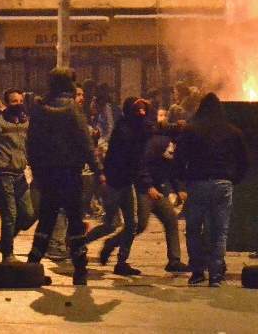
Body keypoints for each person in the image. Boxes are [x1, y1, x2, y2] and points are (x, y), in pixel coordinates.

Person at [26, 68, 103, 285]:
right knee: (75, 221)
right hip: (70, 173)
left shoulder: (40, 108)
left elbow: (31, 143)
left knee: (46, 219)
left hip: (47, 174)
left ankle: (32, 267)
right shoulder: (72, 109)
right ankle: (80, 270)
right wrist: (98, 169)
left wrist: (37, 171)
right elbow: (85, 143)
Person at [174, 93, 248, 287]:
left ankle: (197, 271)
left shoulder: (190, 130)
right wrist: (233, 179)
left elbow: (179, 158)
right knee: (219, 231)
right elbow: (244, 161)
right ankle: (216, 274)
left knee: (193, 229)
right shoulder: (232, 132)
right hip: (222, 185)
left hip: (197, 184)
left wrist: (184, 180)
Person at [88, 97, 152, 276]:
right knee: (110, 224)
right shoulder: (124, 130)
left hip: (126, 183)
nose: (142, 113)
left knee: (132, 224)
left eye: (144, 109)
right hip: (114, 183)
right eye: (138, 110)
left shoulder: (137, 128)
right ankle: (79, 243)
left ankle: (122, 261)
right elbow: (132, 156)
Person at [0, 88, 35, 263]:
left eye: (20, 101)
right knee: (10, 215)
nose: (18, 104)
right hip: (4, 173)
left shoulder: (25, 122)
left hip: (20, 174)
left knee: (28, 214)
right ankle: (8, 254)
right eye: (14, 101)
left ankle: (4, 243)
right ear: (7, 103)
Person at [137, 108, 190, 273]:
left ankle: (174, 261)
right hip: (146, 191)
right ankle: (115, 250)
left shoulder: (170, 144)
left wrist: (179, 188)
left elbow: (171, 169)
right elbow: (142, 164)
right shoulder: (160, 142)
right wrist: (149, 186)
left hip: (158, 191)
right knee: (139, 225)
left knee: (171, 220)